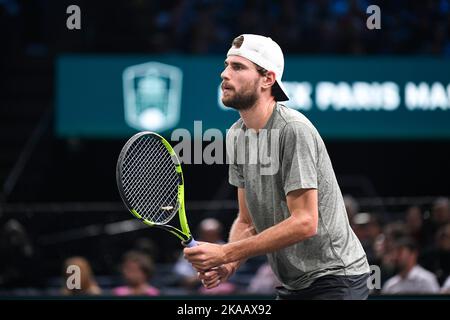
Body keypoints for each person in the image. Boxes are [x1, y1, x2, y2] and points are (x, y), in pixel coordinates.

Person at [184, 34, 370, 300]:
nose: (224, 74)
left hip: (335, 277)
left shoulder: (293, 129)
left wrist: (226, 252)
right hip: (292, 285)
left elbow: (305, 222)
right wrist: (229, 264)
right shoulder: (237, 135)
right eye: (226, 65)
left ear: (267, 80)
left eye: (238, 67)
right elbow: (247, 221)